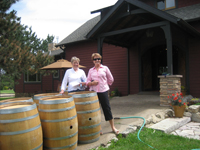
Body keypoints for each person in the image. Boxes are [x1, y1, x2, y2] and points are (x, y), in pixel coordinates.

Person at [86, 53, 119, 135]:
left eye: (98, 59)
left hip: (103, 91)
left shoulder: (105, 68)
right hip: (94, 93)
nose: (97, 60)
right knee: (96, 111)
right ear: (93, 61)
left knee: (107, 109)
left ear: (100, 59)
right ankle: (99, 128)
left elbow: (111, 79)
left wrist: (105, 84)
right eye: (95, 59)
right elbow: (87, 82)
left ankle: (113, 127)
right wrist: (92, 83)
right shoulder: (91, 70)